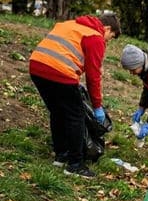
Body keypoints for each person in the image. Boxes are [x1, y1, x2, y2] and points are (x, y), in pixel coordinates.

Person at [29, 13, 121, 178]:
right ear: (107, 28)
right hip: (60, 73)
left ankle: (61, 155)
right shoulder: (95, 37)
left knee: (57, 111)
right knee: (76, 116)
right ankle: (75, 164)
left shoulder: (70, 24)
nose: (108, 41)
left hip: (37, 66)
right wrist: (97, 106)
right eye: (111, 37)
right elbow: (93, 77)